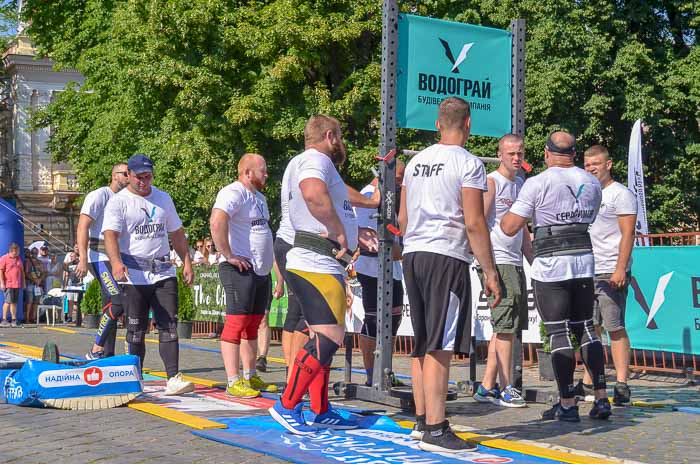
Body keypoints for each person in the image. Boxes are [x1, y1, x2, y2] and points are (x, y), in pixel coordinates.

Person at [398, 97, 501, 452]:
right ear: (468, 123)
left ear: (437, 123)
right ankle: (437, 429)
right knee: (440, 344)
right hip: (446, 254)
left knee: (423, 340)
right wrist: (490, 271)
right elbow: (474, 221)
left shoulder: (416, 162)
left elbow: (402, 220)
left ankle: (422, 420)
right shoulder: (470, 163)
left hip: (414, 253)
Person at [501, 130, 610, 422]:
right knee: (586, 328)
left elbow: (510, 227)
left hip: (551, 264)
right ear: (574, 155)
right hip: (584, 260)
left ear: (548, 154)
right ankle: (601, 398)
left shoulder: (538, 183)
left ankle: (567, 403)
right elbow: (592, 217)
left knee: (558, 331)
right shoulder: (591, 181)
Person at [269, 114, 361, 434]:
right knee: (328, 338)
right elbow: (311, 192)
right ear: (329, 135)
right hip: (314, 261)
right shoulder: (313, 159)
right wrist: (339, 230)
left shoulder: (311, 161)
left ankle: (320, 409)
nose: (342, 144)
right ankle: (288, 404)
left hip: (320, 262)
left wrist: (353, 233)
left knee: (322, 336)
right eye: (340, 136)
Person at [102, 153, 195, 396]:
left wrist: (187, 261)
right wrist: (116, 262)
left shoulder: (163, 198)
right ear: (129, 176)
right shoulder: (119, 202)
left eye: (148, 177)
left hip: (163, 271)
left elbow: (176, 232)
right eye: (139, 177)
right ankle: (135, 376)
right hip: (134, 274)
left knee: (169, 325)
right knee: (136, 328)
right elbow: (110, 234)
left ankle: (173, 377)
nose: (144, 182)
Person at [473, 134, 533, 408]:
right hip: (498, 261)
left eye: (520, 153)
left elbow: (524, 229)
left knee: (505, 327)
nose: (516, 158)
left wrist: (534, 260)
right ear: (500, 154)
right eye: (511, 153)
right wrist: (487, 268)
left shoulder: (520, 183)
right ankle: (507, 387)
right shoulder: (491, 182)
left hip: (515, 261)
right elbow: (478, 223)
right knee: (505, 328)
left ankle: (487, 386)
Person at [210, 153, 278, 398]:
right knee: (236, 324)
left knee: (254, 324)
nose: (266, 174)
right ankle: (232, 380)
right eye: (263, 170)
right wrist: (228, 255)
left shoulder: (259, 198)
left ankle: (250, 376)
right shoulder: (233, 192)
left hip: (260, 271)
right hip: (239, 268)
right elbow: (217, 222)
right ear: (248, 172)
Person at [582, 144, 637, 405]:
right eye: (587, 165)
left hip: (610, 269)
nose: (591, 169)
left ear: (608, 164)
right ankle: (588, 380)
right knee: (589, 328)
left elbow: (628, 233)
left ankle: (622, 382)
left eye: (595, 164)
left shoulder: (621, 194)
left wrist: (620, 267)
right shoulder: (584, 193)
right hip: (586, 269)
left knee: (614, 326)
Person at [354, 160, 406, 387]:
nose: (400, 183)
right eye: (397, 178)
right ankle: (370, 373)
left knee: (394, 318)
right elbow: (367, 238)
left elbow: (395, 232)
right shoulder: (367, 196)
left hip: (391, 269)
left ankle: (385, 370)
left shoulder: (389, 198)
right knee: (374, 321)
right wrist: (395, 249)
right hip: (371, 268)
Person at [76, 162, 130, 359]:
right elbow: (82, 226)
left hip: (116, 257)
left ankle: (107, 355)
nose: (128, 177)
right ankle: (96, 349)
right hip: (98, 256)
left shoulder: (126, 199)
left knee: (111, 307)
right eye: (125, 173)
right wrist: (82, 258)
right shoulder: (100, 195)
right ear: (115, 175)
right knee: (118, 301)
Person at [0, 243, 25, 327]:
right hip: (8, 284)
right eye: (17, 251)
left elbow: (22, 272)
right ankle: (4, 319)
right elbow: (1, 271)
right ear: (13, 250)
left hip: (17, 284)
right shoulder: (4, 258)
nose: (18, 252)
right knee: (7, 301)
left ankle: (14, 320)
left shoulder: (18, 259)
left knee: (14, 302)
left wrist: (23, 282)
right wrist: (2, 283)